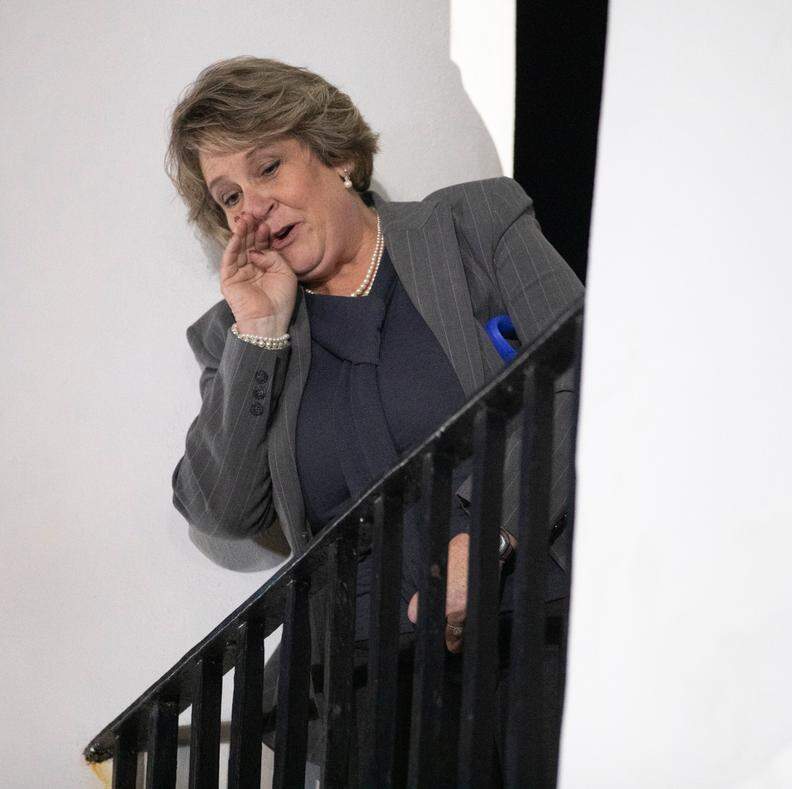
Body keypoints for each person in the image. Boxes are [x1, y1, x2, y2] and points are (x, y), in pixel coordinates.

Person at [166, 56, 582, 783]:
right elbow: (222, 507)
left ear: (340, 156)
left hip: (535, 623)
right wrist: (258, 332)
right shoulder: (232, 336)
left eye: (268, 167)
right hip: (372, 684)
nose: (252, 208)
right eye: (229, 196)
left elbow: (582, 372)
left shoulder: (474, 225)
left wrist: (493, 533)